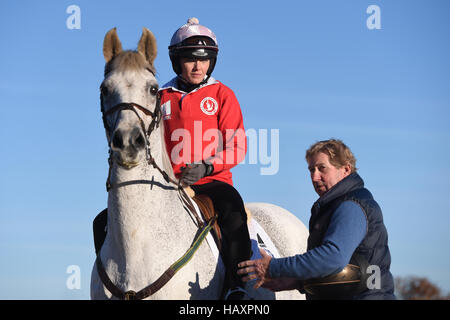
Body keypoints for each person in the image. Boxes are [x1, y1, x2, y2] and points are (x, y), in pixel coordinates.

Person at [160, 17, 252, 300]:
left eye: (204, 60)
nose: (198, 66)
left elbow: (238, 146)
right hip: (168, 186)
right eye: (190, 59)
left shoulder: (223, 94)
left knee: (233, 209)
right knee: (104, 219)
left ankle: (237, 287)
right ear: (177, 61)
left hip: (212, 181)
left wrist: (207, 166)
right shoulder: (160, 97)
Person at [237, 139, 396, 300]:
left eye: (322, 168)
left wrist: (272, 267)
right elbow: (345, 271)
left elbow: (332, 258)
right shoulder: (337, 204)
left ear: (346, 169)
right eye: (311, 170)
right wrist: (298, 282)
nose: (314, 177)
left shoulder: (351, 205)